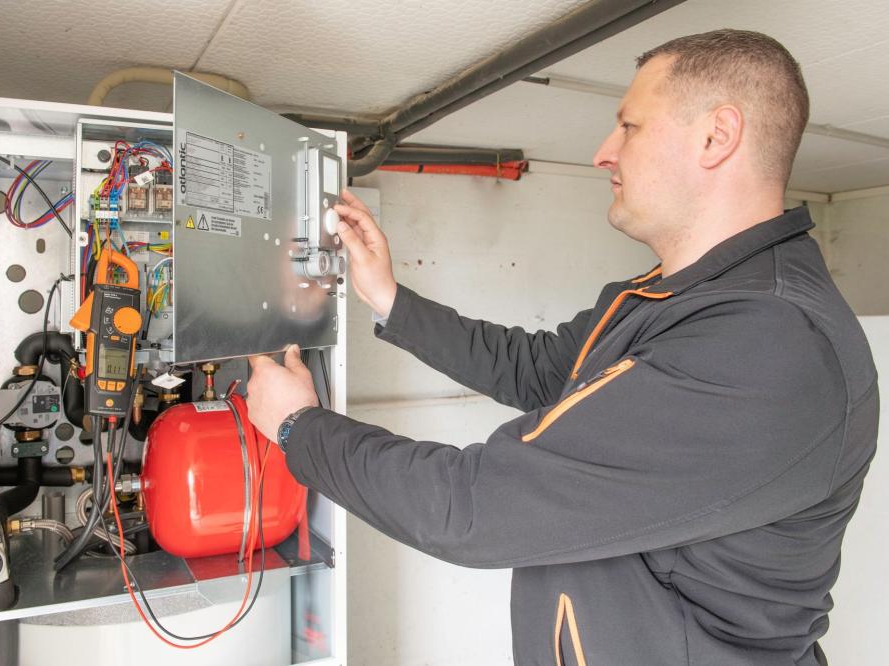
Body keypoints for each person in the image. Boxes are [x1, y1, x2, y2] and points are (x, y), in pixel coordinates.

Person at [247, 29, 878, 665]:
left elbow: (476, 507)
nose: (604, 153)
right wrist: (389, 298)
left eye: (629, 126)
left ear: (717, 137)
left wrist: (300, 428)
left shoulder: (768, 344)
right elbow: (540, 369)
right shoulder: (677, 297)